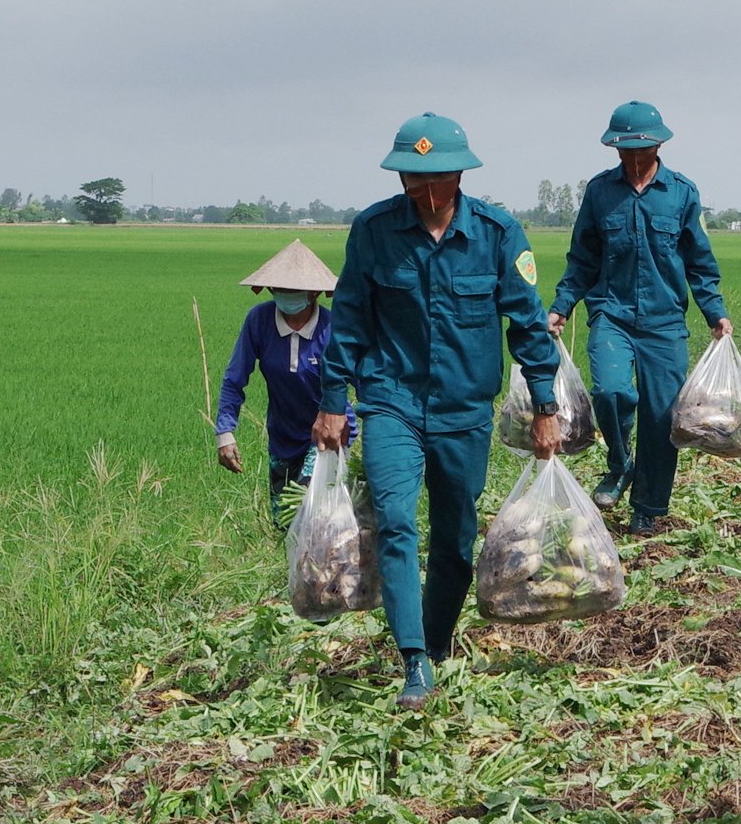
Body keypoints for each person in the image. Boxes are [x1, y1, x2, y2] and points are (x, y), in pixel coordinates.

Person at [312, 112, 563, 707]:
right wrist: (331, 400)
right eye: (411, 179)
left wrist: (545, 405)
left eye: (435, 179)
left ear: (459, 175)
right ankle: (414, 660)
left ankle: (438, 638)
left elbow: (527, 325)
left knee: (454, 538)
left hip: (464, 410)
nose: (422, 191)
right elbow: (348, 319)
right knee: (396, 521)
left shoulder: (499, 234)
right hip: (390, 401)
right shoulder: (373, 231)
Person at [546, 100, 728, 532]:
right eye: (625, 150)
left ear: (658, 146)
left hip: (665, 322)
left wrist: (715, 313)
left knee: (662, 418)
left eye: (641, 150)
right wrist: (561, 306)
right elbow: (582, 259)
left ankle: (648, 508)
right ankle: (619, 463)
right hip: (612, 312)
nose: (633, 158)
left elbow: (699, 262)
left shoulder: (682, 193)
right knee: (609, 391)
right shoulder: (600, 192)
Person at [214, 239, 340, 526]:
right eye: (280, 289)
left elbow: (363, 380)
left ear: (314, 293)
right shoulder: (259, 321)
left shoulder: (332, 328)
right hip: (283, 438)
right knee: (283, 522)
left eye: (295, 291)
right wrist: (225, 432)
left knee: (309, 514)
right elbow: (235, 378)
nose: (286, 296)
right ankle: (288, 572)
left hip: (326, 437)